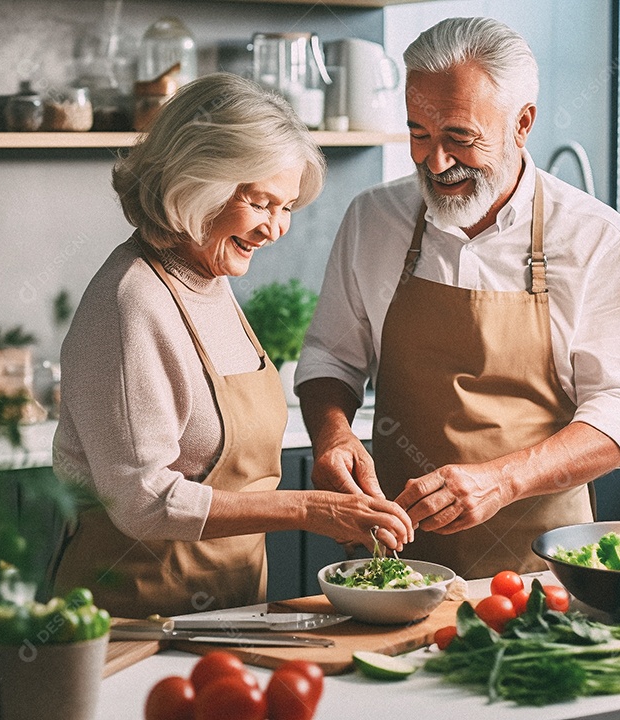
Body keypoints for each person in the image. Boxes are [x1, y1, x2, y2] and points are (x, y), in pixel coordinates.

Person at [296, 18, 620, 579]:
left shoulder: (599, 240)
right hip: (395, 562)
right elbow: (331, 358)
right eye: (419, 133)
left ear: (522, 124)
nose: (436, 162)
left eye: (460, 138)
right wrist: (332, 433)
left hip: (542, 568)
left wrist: (504, 478)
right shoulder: (373, 220)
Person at [50, 73, 413, 619]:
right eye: (262, 203)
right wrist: (310, 509)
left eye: (287, 206)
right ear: (198, 183)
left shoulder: (209, 278)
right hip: (137, 616)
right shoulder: (131, 301)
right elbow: (142, 502)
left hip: (232, 607)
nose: (277, 228)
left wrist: (331, 456)